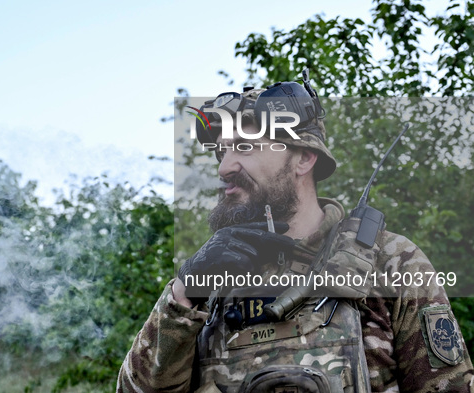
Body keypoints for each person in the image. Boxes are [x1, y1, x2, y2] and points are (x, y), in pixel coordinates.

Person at [117, 72, 474, 393]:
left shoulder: (393, 262)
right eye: (221, 151)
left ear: (303, 158)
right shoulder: (207, 276)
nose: (225, 167)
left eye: (244, 146)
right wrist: (184, 294)